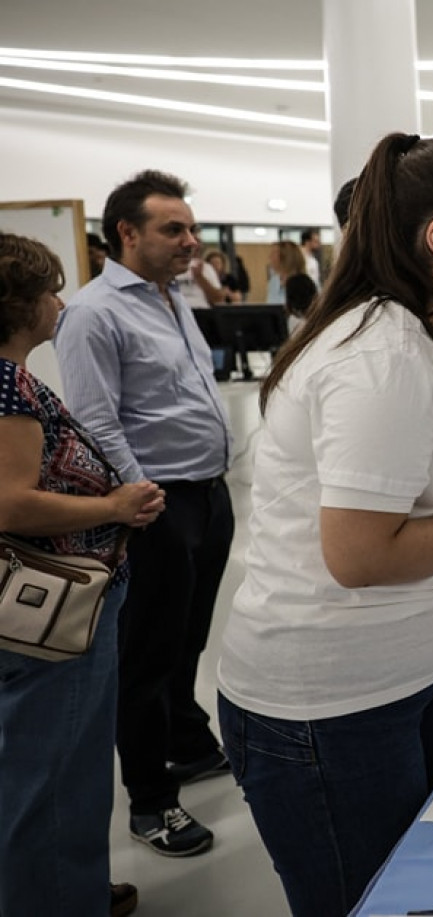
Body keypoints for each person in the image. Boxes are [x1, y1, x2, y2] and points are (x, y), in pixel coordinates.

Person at [216, 132, 433, 917]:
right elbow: (359, 553)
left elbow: (412, 501)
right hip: (334, 705)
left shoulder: (430, 337)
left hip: (415, 671)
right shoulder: (380, 355)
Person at [57, 169, 236, 858]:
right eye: (174, 229)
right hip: (156, 501)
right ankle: (151, 801)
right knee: (148, 655)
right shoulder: (95, 312)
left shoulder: (171, 297)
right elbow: (95, 417)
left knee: (188, 637)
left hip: (208, 493)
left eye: (190, 228)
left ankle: (187, 743)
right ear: (126, 233)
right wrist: (139, 495)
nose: (191, 241)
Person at [0, 232, 164, 917]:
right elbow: (10, 500)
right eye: (51, 291)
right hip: (56, 607)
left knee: (51, 763)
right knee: (59, 769)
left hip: (59, 599)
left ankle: (63, 887)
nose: (60, 303)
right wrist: (113, 503)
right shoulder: (7, 383)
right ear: (24, 304)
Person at [266, 239, 306, 305]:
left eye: (273, 253)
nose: (269, 257)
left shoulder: (304, 285)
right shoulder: (273, 281)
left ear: (286, 257)